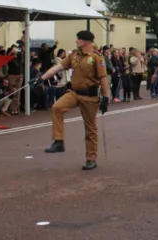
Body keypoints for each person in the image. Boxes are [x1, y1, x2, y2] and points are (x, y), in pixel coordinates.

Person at [36, 30, 109, 171]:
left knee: (90, 128)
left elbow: (103, 78)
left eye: (78, 39)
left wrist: (106, 97)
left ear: (85, 42)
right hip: (74, 93)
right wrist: (42, 78)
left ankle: (91, 159)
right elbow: (59, 67)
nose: (76, 41)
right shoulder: (74, 55)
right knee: (57, 107)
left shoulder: (96, 57)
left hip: (90, 96)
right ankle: (58, 141)